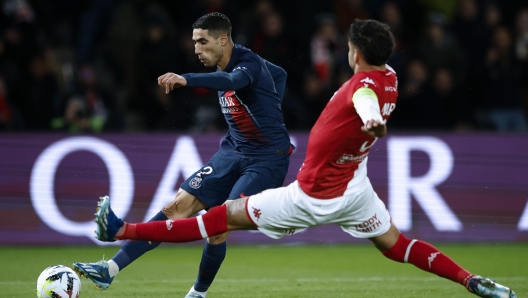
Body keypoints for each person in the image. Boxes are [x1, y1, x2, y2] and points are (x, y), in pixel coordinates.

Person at [88, 19, 517, 298]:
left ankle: (124, 232)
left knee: (217, 220)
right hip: (355, 187)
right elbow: (351, 87)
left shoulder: (360, 88)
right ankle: (471, 280)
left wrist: (371, 120)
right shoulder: (390, 76)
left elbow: (364, 101)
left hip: (309, 193)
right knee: (397, 245)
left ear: (353, 54)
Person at [73, 12, 293, 298]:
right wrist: (271, 103)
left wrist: (186, 79)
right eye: (194, 42)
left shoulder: (247, 64)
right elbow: (280, 74)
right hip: (232, 151)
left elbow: (229, 80)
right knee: (175, 208)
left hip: (266, 158)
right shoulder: (249, 67)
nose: (197, 49)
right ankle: (110, 270)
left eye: (203, 42)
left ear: (223, 39)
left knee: (219, 224)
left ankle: (197, 294)